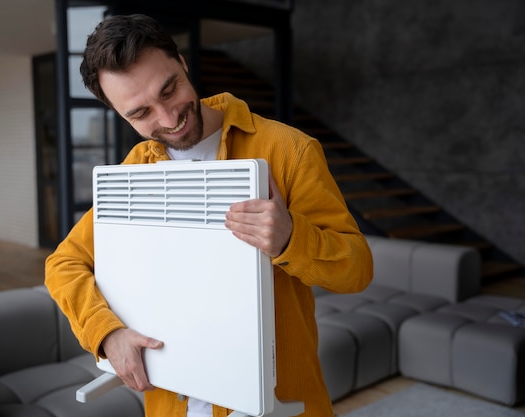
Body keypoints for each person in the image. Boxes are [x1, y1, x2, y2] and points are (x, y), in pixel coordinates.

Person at [45, 13, 373, 417]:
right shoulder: (135, 170)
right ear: (118, 114)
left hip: (280, 403)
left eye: (169, 90)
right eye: (141, 114)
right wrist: (107, 333)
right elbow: (63, 264)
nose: (168, 119)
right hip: (171, 404)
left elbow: (356, 270)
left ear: (182, 63)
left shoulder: (289, 150)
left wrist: (291, 239)